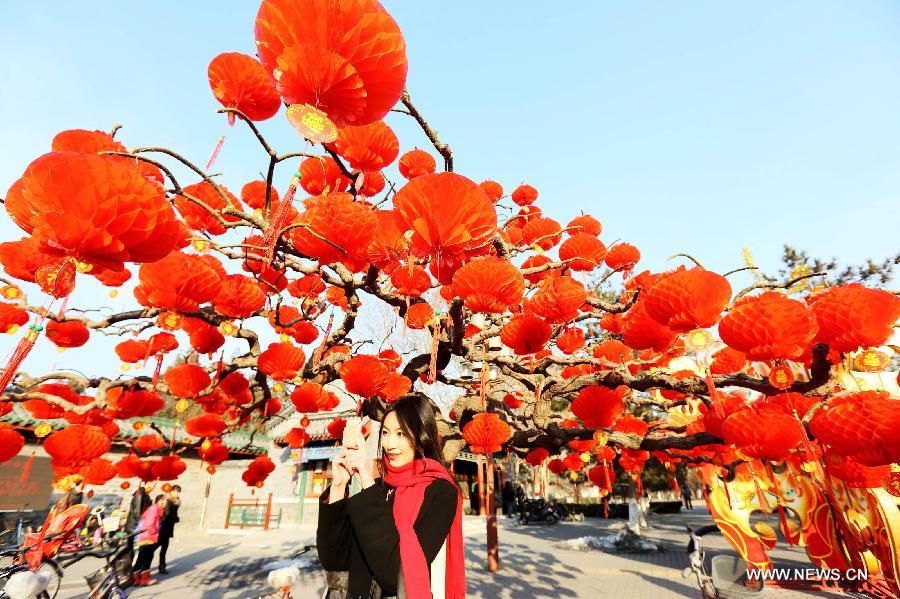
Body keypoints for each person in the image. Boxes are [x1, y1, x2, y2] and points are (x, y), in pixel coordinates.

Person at [317, 393, 466, 599]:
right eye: (385, 432)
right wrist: (338, 486)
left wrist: (367, 482)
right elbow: (334, 559)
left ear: (422, 434)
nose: (389, 444)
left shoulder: (441, 492)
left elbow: (394, 575)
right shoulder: (378, 488)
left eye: (401, 434)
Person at [132, 494, 164, 586]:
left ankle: (136, 579)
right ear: (159, 501)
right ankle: (145, 579)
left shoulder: (154, 509)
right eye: (163, 501)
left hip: (144, 536)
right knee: (147, 557)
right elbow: (149, 524)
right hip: (148, 537)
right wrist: (154, 531)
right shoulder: (155, 509)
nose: (164, 503)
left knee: (142, 557)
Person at [157, 485, 181, 575]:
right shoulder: (169, 501)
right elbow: (167, 514)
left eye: (179, 491)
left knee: (164, 548)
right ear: (172, 491)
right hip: (164, 527)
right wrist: (175, 518)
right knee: (156, 547)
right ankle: (159, 566)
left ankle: (162, 566)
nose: (178, 493)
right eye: (177, 491)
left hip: (167, 527)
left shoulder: (175, 501)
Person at [124, 485, 151, 553]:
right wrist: (142, 523)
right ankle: (116, 561)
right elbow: (137, 512)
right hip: (134, 526)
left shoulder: (144, 495)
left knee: (131, 547)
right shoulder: (140, 494)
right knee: (131, 547)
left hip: (133, 525)